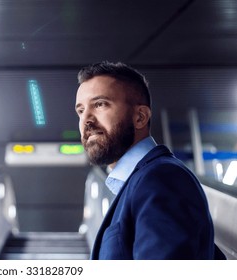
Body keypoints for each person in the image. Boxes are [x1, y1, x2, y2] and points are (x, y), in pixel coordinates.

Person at [75, 61, 225, 259]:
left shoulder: (162, 179)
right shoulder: (141, 181)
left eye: (100, 104)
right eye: (80, 110)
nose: (87, 120)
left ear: (140, 117)